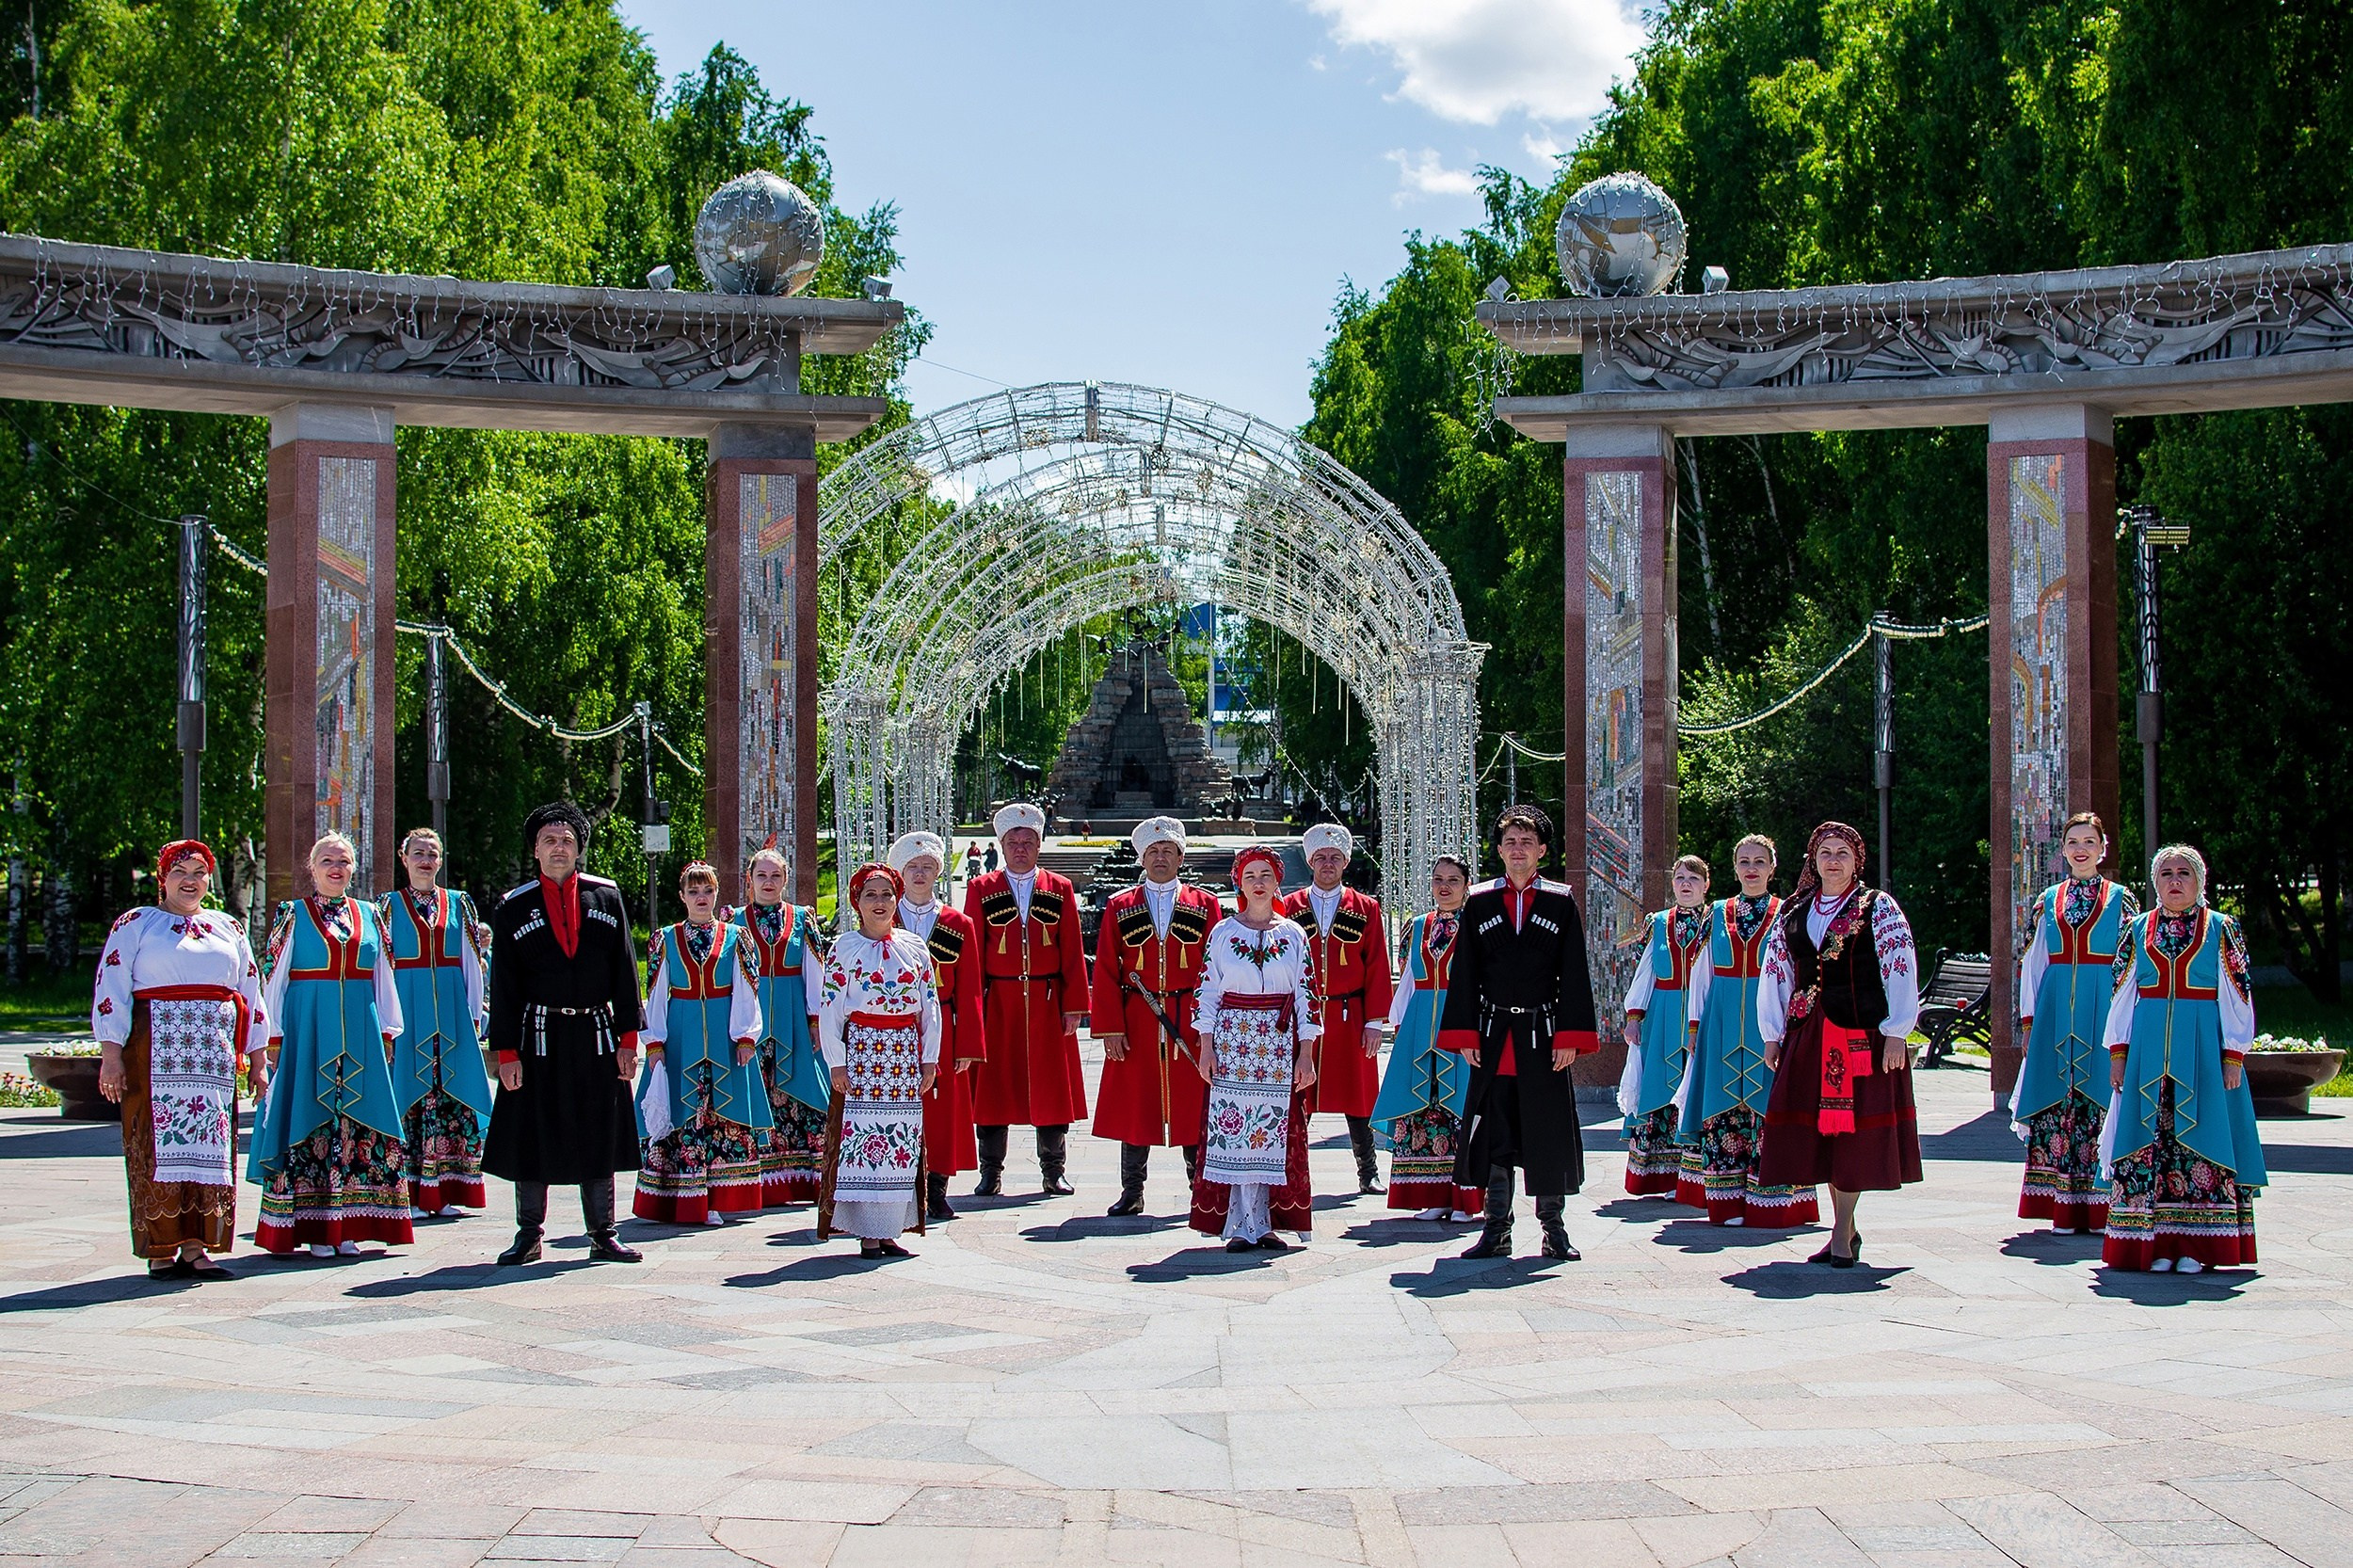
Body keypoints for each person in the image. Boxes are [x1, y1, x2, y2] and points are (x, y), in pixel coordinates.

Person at [92, 839, 269, 1278]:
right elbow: (110, 990)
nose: (189, 882)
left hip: (212, 1057)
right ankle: (159, 1247)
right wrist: (110, 1057)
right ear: (162, 878)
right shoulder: (136, 924)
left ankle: (197, 1245)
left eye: (199, 873)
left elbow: (252, 992)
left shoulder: (228, 926)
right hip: (152, 1050)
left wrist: (259, 1059)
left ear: (209, 880)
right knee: (155, 1145)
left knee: (210, 1146)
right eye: (180, 872)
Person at [482, 802, 645, 1266]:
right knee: (532, 1132)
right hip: (537, 1036)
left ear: (579, 850)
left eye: (568, 841)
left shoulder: (606, 897)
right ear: (535, 849)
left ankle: (603, 1234)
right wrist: (506, 1052)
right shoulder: (514, 906)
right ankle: (528, 1234)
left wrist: (628, 1041)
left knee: (599, 1131)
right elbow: (505, 983)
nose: (559, 848)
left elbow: (624, 973)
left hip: (595, 1033)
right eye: (550, 840)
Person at [1754, 822, 1923, 1268]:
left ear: (1857, 861)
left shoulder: (1878, 908)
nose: (1833, 860)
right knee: (1822, 1137)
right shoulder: (1795, 909)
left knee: (1852, 1138)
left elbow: (1900, 966)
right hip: (1808, 1035)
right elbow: (1777, 971)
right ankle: (1843, 1227)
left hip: (1861, 1034)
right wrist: (1772, 1035)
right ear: (1813, 858)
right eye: (1825, 852)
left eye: (1842, 853)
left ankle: (1840, 1233)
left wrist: (1896, 1032)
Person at [1438, 807, 1597, 1263]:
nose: (1518, 849)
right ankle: (1496, 1230)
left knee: (1547, 1133)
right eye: (1510, 841)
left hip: (1544, 1038)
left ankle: (1554, 1230)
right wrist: (1465, 1032)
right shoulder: (1481, 901)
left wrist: (1569, 1036)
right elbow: (1464, 971)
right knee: (1495, 1135)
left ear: (1542, 850)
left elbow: (1574, 974)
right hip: (1492, 1037)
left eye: (1527, 841)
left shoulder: (1561, 902)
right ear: (1499, 849)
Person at [2100, 844, 2265, 1273]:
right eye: (2166, 874)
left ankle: (2196, 1245)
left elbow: (2238, 994)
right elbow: (2122, 994)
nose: (2175, 881)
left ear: (2199, 882)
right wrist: (2119, 1052)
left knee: (2201, 1141)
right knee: (2150, 1143)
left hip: (2205, 1049)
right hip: (2147, 1048)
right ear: (2155, 883)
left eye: (2184, 873)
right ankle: (2152, 1244)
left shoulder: (2222, 928)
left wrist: (2233, 1054)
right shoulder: (2137, 929)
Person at [248, 833, 412, 1257]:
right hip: (308, 1030)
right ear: (312, 867)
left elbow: (383, 975)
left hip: (360, 1028)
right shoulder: (293, 914)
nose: (335, 867)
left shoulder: (372, 916)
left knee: (357, 1121)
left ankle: (350, 1225)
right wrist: (273, 1037)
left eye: (342, 861)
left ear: (353, 869)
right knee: (312, 1117)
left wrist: (388, 1030)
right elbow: (277, 978)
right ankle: (314, 1226)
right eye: (326, 860)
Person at [1675, 836, 1817, 1227]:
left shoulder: (1789, 911)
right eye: (1743, 861)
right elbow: (1700, 974)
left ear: (1773, 868)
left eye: (1759, 861)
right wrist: (1694, 1024)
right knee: (1722, 1115)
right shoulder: (1717, 913)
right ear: (1734, 868)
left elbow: (1797, 971)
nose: (1751, 868)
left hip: (1769, 1022)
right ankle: (1727, 1202)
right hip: (1720, 1022)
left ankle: (1770, 1204)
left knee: (1769, 1112)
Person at [1189, 845, 1320, 1253]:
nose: (1258, 883)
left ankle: (1265, 1223)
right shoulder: (1223, 934)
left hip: (1278, 1045)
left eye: (1265, 875)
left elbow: (1307, 996)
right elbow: (1207, 993)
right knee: (1236, 1132)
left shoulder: (1294, 934)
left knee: (1270, 1132)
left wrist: (1306, 1053)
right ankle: (1241, 1224)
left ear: (1278, 881)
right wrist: (1206, 1049)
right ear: (1239, 883)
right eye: (1250, 876)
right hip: (1233, 1042)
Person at [2012, 811, 2137, 1234]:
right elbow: (2032, 963)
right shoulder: (2047, 900)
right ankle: (2060, 1205)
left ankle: (2102, 1204)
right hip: (2055, 1006)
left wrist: (2127, 1022)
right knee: (2057, 1101)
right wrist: (2029, 1020)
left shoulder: (2124, 900)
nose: (2080, 849)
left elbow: (2131, 964)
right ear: (2062, 851)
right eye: (2072, 842)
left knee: (2100, 1098)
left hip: (2103, 1004)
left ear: (2103, 849)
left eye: (2088, 842)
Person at [1092, 815, 1219, 1216]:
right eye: (1153, 851)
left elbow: (1216, 968)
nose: (1160, 857)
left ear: (1181, 857)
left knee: (1193, 1101)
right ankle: (1132, 1191)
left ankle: (1199, 1188)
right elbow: (1107, 970)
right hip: (1137, 1016)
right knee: (1137, 1103)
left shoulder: (1205, 903)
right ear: (1141, 858)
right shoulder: (1120, 905)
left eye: (1168, 851)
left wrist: (1211, 1025)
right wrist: (1111, 1027)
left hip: (1188, 1015)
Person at [963, 802, 1090, 1195]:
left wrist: (1074, 1006)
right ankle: (991, 1172)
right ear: (1001, 845)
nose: (1021, 848)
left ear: (1039, 844)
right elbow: (972, 953)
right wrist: (975, 1009)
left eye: (1028, 841)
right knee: (993, 1088)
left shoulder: (1059, 887)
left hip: (1047, 999)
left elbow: (1071, 949)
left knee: (1052, 1088)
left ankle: (1054, 1171)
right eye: (1013, 841)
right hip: (999, 1001)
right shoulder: (981, 889)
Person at [816, 862, 941, 1258]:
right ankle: (867, 1232)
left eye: (887, 894)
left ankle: (890, 1229)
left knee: (899, 1141)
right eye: (871, 895)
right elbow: (830, 1007)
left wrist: (929, 1059)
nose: (880, 902)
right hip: (864, 1055)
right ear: (857, 902)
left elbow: (930, 1007)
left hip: (903, 1054)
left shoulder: (914, 948)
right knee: (863, 1141)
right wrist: (836, 1062)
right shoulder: (843, 949)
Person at [635, 862, 767, 1225]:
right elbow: (657, 993)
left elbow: (746, 988)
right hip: (681, 1036)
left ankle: (717, 1198)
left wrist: (745, 1035)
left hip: (724, 1039)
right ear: (682, 896)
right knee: (685, 1115)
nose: (701, 898)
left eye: (707, 891)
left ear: (716, 894)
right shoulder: (665, 938)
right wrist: (655, 1043)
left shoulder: (736, 937)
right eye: (693, 892)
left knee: (720, 1115)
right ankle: (682, 1197)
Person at [378, 827, 495, 1218]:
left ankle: (447, 1190)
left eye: (432, 853)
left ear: (441, 860)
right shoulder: (387, 907)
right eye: (418, 853)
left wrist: (473, 1015)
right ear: (404, 857)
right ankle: (409, 1193)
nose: (425, 860)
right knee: (408, 1099)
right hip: (407, 1012)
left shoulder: (459, 904)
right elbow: (380, 967)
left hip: (450, 1012)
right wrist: (386, 1021)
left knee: (451, 1099)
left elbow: (471, 964)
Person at [1276, 824, 1393, 1194]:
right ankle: (1289, 1170)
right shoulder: (1288, 907)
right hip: (1300, 1015)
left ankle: (1368, 1170)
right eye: (1321, 858)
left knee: (1357, 1095)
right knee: (1296, 1094)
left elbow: (1377, 964)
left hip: (1350, 1013)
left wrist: (1375, 1021)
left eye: (1335, 858)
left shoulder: (1365, 907)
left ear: (1345, 862)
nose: (1328, 864)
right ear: (1310, 861)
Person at [1368, 854, 1481, 1220]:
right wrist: (1398, 1025)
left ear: (1467, 885)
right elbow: (1407, 981)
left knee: (1462, 1108)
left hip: (1461, 1021)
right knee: (1423, 1109)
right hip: (1419, 1025)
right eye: (1437, 879)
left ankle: (1467, 1198)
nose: (1444, 886)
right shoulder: (1417, 927)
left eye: (1453, 880)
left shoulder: (1478, 924)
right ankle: (1434, 1196)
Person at [890, 831, 984, 1221]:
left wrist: (968, 1045)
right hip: (892, 1025)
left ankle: (937, 1187)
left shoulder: (957, 922)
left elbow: (971, 987)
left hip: (942, 1025)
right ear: (900, 872)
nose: (920, 874)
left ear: (939, 872)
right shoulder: (885, 916)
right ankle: (897, 1185)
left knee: (942, 1110)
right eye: (912, 867)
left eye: (928, 867)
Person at [733, 847, 828, 1208]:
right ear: (750, 880)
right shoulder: (733, 920)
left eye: (775, 876)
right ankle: (758, 1182)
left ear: (786, 880)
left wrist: (815, 1019)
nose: (769, 882)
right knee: (757, 1095)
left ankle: (803, 1180)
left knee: (804, 1097)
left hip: (793, 1016)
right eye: (762, 876)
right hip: (751, 1020)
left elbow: (815, 973)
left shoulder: (802, 919)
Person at [1619, 856, 1709, 1196]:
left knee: (1694, 1089)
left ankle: (1694, 1176)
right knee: (1660, 1089)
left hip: (1701, 1013)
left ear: (1706, 884)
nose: (1686, 884)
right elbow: (1645, 972)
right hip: (1662, 1013)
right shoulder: (1657, 923)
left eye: (1694, 878)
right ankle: (1662, 1174)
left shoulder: (1716, 920)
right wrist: (1634, 1016)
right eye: (1680, 878)